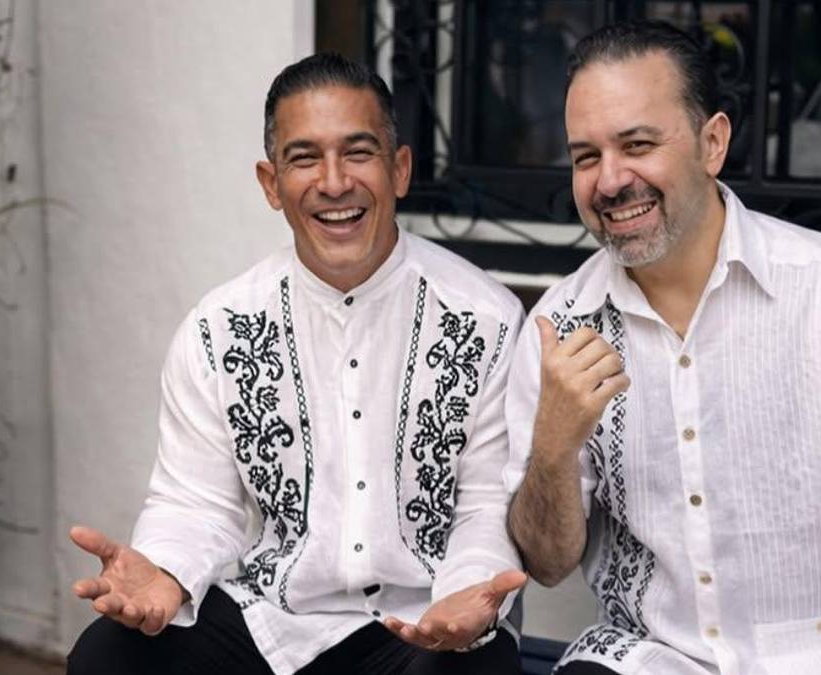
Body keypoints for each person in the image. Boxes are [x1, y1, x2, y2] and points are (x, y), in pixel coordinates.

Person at [504, 20, 821, 675]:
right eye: (585, 157)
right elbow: (547, 565)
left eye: (638, 144)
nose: (609, 180)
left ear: (712, 142)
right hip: (655, 659)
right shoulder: (562, 324)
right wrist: (553, 446)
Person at [66, 53, 527, 675]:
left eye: (358, 153)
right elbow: (195, 501)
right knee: (108, 659)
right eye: (305, 158)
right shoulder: (219, 328)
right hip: (273, 618)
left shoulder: (485, 319)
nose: (333, 183)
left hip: (428, 619)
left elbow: (486, 505)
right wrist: (166, 572)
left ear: (400, 169)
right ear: (270, 183)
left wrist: (467, 594)